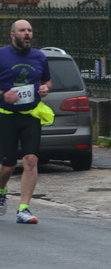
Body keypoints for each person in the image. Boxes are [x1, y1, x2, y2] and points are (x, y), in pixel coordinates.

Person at [0, 19, 54, 224]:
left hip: (31, 115)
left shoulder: (39, 56)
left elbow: (47, 80)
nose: (27, 33)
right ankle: (1, 190)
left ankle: (24, 208)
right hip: (6, 115)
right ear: (12, 35)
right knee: (7, 166)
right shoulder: (1, 55)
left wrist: (46, 88)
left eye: (29, 30)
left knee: (31, 159)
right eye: (22, 30)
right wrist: (4, 96)